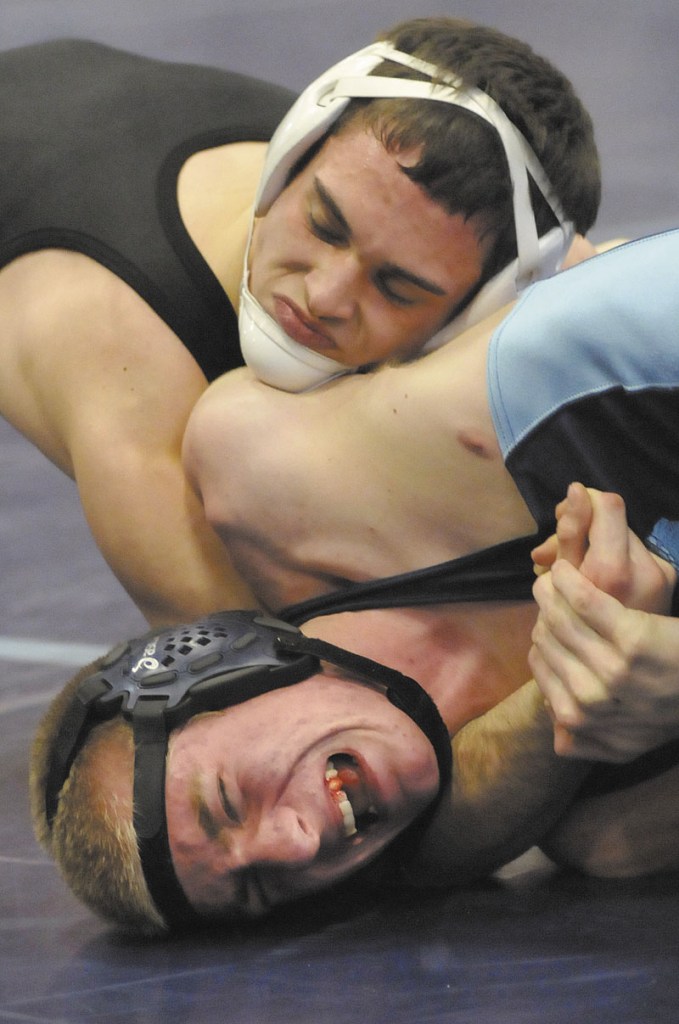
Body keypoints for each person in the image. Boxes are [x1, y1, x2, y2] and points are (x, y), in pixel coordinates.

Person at [31, 229, 679, 936]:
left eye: (229, 801)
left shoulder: (299, 475)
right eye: (263, 887)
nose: (300, 846)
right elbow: (437, 853)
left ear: (208, 661)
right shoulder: (606, 816)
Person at [0, 18, 600, 625]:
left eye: (396, 287)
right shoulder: (127, 375)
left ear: (476, 308)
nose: (325, 295)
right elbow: (251, 678)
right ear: (290, 159)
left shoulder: (405, 203)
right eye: (323, 224)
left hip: (112, 110)